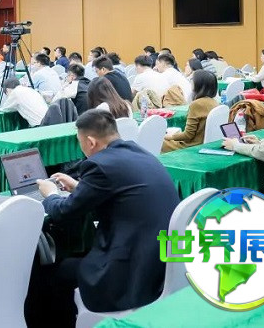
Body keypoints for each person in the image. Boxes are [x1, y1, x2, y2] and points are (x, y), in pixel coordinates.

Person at [28, 110, 179, 326]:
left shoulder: (99, 165)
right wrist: (79, 187)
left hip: (129, 273)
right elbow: (120, 194)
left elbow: (64, 212)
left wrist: (50, 194)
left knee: (49, 275)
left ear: (90, 142)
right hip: (159, 263)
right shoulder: (140, 153)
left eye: (80, 142)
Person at [162, 70, 219, 152]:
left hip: (191, 146)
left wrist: (168, 136)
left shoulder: (197, 104)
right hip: (204, 143)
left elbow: (188, 135)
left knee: (158, 142)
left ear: (198, 85)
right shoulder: (215, 103)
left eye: (192, 80)